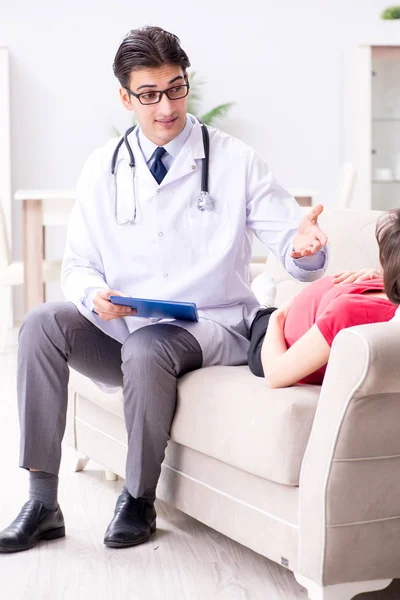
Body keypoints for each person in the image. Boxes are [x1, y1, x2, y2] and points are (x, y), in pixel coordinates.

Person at [0, 25, 328, 553]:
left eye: (175, 89)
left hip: (212, 327)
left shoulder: (235, 160)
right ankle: (41, 502)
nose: (166, 108)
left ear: (186, 82)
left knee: (147, 345)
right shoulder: (101, 169)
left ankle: (138, 498)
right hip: (130, 329)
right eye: (149, 95)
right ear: (125, 97)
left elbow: (296, 244)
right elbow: (78, 265)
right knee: (41, 323)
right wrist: (94, 296)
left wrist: (307, 250)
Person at [248, 209, 400, 389]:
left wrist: (277, 317)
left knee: (258, 321)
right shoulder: (388, 288)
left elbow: (274, 375)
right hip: (308, 314)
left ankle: (264, 304)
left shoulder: (350, 314)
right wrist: (384, 278)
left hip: (280, 340)